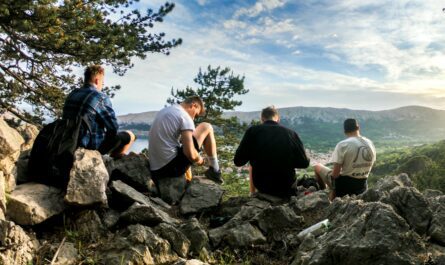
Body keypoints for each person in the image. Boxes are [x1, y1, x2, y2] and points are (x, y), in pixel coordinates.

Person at [234, 106, 310, 198]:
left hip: (263, 187)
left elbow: (238, 161)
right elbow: (304, 163)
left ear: (262, 119)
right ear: (278, 119)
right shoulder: (291, 133)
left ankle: (253, 193)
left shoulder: (252, 131)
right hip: (286, 187)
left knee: (252, 165)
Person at [62, 65, 135, 157]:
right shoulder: (100, 97)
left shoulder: (72, 93)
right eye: (102, 83)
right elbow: (113, 128)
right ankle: (113, 162)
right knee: (130, 135)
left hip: (68, 142)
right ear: (97, 81)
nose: (102, 85)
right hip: (90, 146)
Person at [148, 96, 223, 184]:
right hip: (169, 169)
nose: (194, 118)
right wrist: (200, 159)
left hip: (154, 169)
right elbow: (190, 154)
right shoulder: (184, 116)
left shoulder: (166, 110)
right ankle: (215, 171)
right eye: (196, 114)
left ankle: (214, 170)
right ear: (193, 105)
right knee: (206, 126)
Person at [314, 118, 376, 200]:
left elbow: (335, 175)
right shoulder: (370, 143)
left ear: (345, 131)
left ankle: (323, 193)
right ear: (358, 128)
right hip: (362, 186)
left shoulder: (343, 145)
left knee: (317, 166)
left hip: (344, 187)